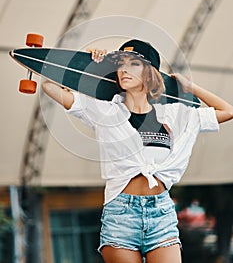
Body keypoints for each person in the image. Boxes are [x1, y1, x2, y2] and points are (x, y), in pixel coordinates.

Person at [42, 39, 233, 263]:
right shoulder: (105, 111)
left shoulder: (175, 115)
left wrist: (190, 88)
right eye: (121, 64)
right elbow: (49, 86)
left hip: (162, 214)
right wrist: (86, 61)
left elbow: (227, 111)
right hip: (121, 215)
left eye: (134, 64)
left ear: (150, 72)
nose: (124, 70)